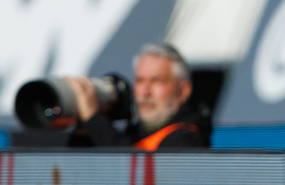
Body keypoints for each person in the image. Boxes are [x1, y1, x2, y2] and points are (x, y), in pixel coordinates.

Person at [66, 43, 211, 150]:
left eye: (157, 81)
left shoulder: (187, 140)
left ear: (184, 90)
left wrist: (93, 118)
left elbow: (131, 172)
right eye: (140, 81)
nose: (145, 92)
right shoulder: (133, 134)